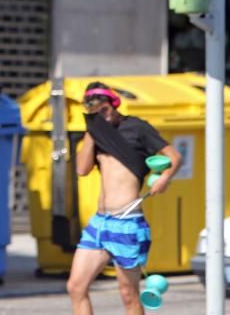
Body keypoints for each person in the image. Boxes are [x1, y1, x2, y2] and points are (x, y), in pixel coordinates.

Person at [66, 81, 183, 315]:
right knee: (76, 287)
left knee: (128, 294)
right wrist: (92, 130)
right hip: (100, 223)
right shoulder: (96, 135)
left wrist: (164, 178)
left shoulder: (136, 128)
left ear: (114, 104)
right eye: (94, 111)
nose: (101, 114)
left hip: (127, 222)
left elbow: (174, 156)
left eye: (104, 109)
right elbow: (81, 169)